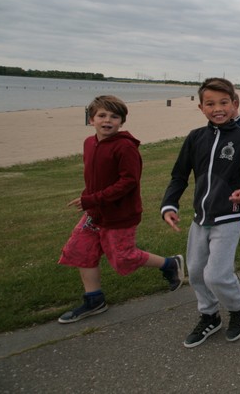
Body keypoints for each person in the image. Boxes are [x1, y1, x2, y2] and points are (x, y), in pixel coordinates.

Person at [58, 95, 183, 323]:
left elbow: (129, 182)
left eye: (114, 117)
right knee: (80, 250)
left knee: (123, 256)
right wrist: (90, 199)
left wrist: (92, 199)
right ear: (91, 119)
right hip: (95, 213)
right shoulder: (89, 143)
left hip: (120, 214)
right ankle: (94, 300)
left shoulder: (125, 147)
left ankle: (170, 264)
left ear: (121, 122)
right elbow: (94, 176)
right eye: (102, 115)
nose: (107, 120)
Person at [161, 78, 240, 347]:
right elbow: (179, 176)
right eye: (210, 104)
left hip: (228, 217)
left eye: (224, 103)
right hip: (200, 219)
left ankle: (239, 306)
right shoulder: (195, 138)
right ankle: (209, 315)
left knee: (216, 274)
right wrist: (169, 205)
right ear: (201, 107)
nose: (218, 109)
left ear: (234, 104)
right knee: (195, 272)